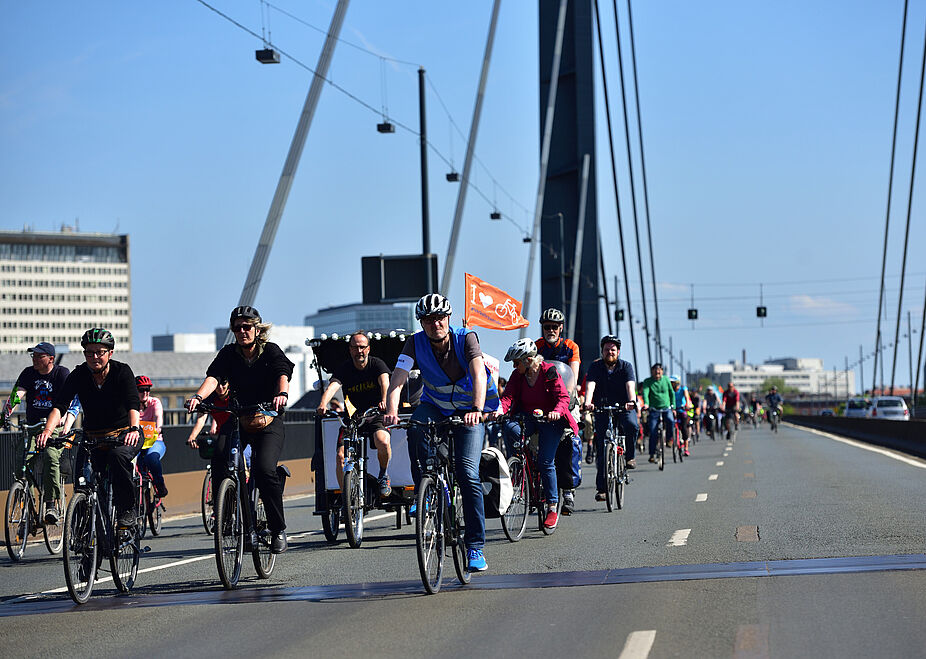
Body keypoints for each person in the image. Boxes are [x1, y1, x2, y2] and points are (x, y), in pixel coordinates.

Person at [383, 293, 499, 573]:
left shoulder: (466, 338)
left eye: (440, 318)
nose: (436, 323)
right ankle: (425, 486)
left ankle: (475, 547)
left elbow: (478, 373)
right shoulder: (414, 342)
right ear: (422, 323)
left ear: (448, 318)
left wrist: (476, 407)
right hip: (435, 406)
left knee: (466, 472)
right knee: (414, 426)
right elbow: (398, 379)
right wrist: (391, 409)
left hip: (469, 409)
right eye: (429, 319)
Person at [188, 306, 294, 554]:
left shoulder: (270, 351)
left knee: (264, 469)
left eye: (247, 327)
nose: (243, 331)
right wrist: (197, 396)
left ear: (257, 329)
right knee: (220, 454)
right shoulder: (228, 354)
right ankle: (224, 515)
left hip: (268, 419)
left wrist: (282, 394)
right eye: (238, 328)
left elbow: (283, 373)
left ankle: (278, 529)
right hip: (240, 418)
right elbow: (214, 378)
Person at [37, 329, 142, 529]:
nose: (94, 357)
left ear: (110, 353)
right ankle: (86, 533)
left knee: (118, 458)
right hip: (93, 438)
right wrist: (47, 432)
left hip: (123, 435)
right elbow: (61, 406)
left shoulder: (122, 371)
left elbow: (132, 403)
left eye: (99, 352)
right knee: (82, 481)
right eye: (89, 352)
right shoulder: (79, 374)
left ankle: (128, 510)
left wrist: (134, 428)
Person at [488, 338, 578, 526]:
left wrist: (556, 412)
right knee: (510, 427)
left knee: (546, 462)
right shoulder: (517, 375)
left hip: (550, 420)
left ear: (528, 360)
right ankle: (520, 463)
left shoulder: (549, 372)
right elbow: (508, 397)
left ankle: (552, 507)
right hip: (527, 417)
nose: (514, 366)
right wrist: (499, 410)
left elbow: (562, 397)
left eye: (516, 362)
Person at [2, 342, 80, 524]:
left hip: (54, 426)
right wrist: (6, 413)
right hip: (32, 425)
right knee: (20, 460)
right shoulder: (28, 373)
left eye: (39, 356)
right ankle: (26, 507)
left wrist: (63, 420)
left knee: (51, 456)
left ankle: (51, 503)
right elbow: (17, 394)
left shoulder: (61, 373)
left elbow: (67, 400)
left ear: (50, 359)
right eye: (33, 356)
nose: (34, 359)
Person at [316, 331, 393, 496]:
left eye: (362, 347)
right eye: (355, 347)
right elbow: (333, 387)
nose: (359, 351)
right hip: (353, 418)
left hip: (375, 414)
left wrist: (385, 400)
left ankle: (383, 474)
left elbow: (385, 382)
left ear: (368, 349)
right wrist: (323, 403)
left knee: (383, 441)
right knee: (340, 456)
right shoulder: (344, 368)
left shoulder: (377, 364)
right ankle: (346, 500)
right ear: (350, 350)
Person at [582, 335, 639, 501]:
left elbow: (630, 385)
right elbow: (590, 385)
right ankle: (602, 489)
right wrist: (587, 402)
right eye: (607, 349)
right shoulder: (595, 367)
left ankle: (630, 457)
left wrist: (632, 401)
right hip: (602, 407)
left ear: (618, 351)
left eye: (613, 349)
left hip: (624, 405)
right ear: (602, 351)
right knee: (602, 447)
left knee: (631, 425)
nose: (610, 352)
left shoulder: (626, 366)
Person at [135, 375, 169, 498]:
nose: (145, 392)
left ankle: (160, 484)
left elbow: (158, 417)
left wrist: (158, 428)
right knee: (129, 462)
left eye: (147, 389)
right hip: (136, 442)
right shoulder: (131, 405)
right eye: (141, 390)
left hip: (154, 440)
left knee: (151, 458)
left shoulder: (155, 402)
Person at [640, 363, 675, 464]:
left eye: (659, 370)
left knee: (671, 421)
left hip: (666, 408)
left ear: (662, 372)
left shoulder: (666, 380)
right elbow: (645, 393)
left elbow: (671, 393)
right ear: (652, 372)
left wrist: (673, 407)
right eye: (655, 371)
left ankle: (669, 439)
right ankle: (652, 454)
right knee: (653, 431)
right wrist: (646, 404)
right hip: (654, 409)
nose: (657, 373)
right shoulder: (647, 381)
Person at [534, 308, 580, 383]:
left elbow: (573, 376)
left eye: (554, 327)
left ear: (561, 328)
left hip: (564, 388)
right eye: (547, 327)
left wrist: (571, 389)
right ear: (543, 328)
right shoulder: (536, 346)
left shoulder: (571, 346)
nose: (551, 330)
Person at [670, 375, 692, 456]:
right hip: (673, 410)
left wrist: (688, 405)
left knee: (684, 428)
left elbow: (686, 397)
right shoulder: (670, 390)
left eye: (672, 383)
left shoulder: (683, 389)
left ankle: (686, 448)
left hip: (682, 410)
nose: (671, 384)